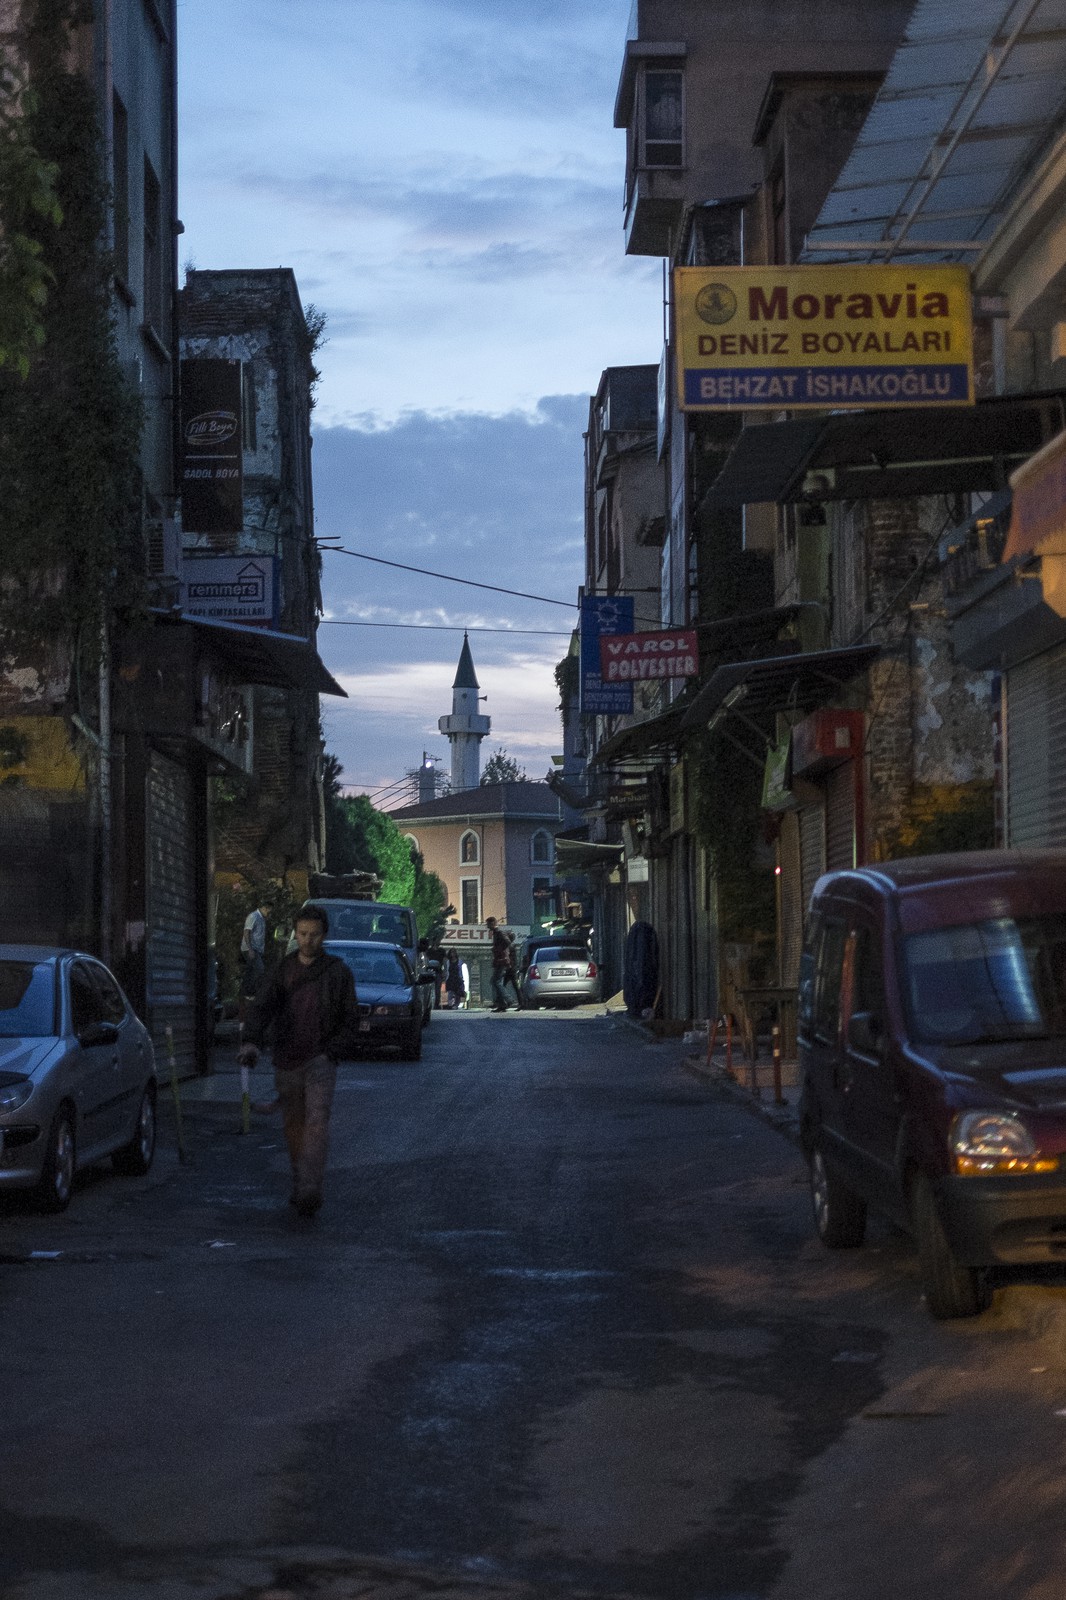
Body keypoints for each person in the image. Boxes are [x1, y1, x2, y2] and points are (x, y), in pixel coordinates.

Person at [238, 904, 360, 1218]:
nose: (308, 941)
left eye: (314, 935)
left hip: (320, 1058)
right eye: (303, 934)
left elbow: (350, 1018)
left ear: (325, 935)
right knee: (294, 1126)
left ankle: (309, 1188)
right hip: (287, 1059)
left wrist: (333, 1050)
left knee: (316, 1124)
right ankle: (300, 1181)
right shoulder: (282, 970)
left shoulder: (338, 972)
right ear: (296, 933)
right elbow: (262, 1007)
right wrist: (251, 1041)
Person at [239, 895, 274, 1007]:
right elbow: (246, 932)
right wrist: (250, 949)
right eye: (269, 911)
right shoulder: (253, 916)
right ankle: (251, 993)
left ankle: (244, 994)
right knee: (259, 969)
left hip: (257, 949)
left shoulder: (262, 919)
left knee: (250, 971)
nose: (269, 914)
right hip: (250, 948)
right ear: (265, 908)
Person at [486, 916, 513, 1012]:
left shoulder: (499, 933)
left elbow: (508, 942)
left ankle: (508, 1000)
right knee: (496, 981)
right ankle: (502, 1004)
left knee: (495, 981)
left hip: (501, 961)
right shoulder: (496, 933)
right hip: (499, 960)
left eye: (488, 924)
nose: (487, 927)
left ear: (493, 923)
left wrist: (498, 950)